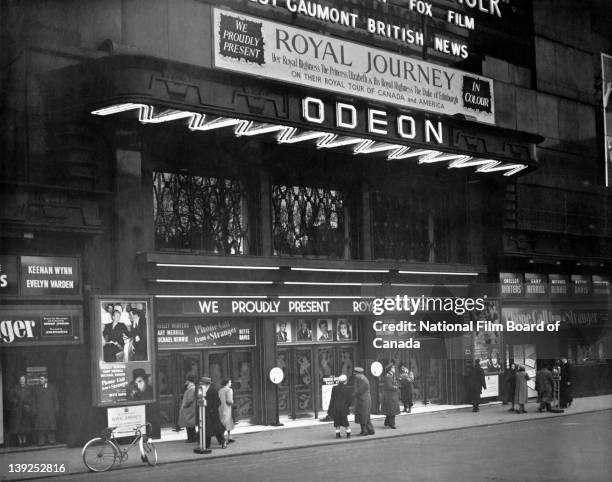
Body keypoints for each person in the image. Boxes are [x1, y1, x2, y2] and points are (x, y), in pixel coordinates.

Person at [33, 374, 59, 446]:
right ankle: (41, 442)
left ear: (46, 379)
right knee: (41, 427)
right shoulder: (37, 388)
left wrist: (56, 408)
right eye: (40, 379)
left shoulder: (52, 387)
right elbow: (34, 400)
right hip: (40, 411)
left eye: (42, 379)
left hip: (50, 410)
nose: (40, 380)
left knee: (51, 426)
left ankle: (51, 441)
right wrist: (34, 409)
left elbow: (55, 399)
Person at [202, 377, 227, 449]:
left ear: (207, 384)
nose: (202, 384)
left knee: (216, 429)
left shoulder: (213, 390)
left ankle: (223, 441)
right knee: (207, 429)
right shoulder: (203, 390)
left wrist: (213, 409)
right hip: (206, 413)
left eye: (203, 383)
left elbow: (218, 402)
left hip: (213, 414)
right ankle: (206, 445)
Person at [8, 375, 32, 446]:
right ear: (19, 380)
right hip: (18, 410)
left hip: (25, 409)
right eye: (21, 379)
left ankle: (25, 441)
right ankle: (20, 441)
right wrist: (16, 402)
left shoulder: (29, 388)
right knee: (18, 426)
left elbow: (32, 397)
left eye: (23, 379)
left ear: (25, 380)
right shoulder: (15, 388)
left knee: (25, 426)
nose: (22, 381)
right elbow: (10, 397)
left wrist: (27, 402)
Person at [328, 374, 352, 439]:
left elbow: (332, 399)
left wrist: (331, 409)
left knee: (337, 422)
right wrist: (348, 405)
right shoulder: (347, 388)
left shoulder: (334, 388)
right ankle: (348, 434)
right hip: (344, 408)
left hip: (336, 408)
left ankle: (337, 434)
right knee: (345, 422)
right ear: (345, 381)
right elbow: (349, 399)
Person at [352, 367, 374, 436]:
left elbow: (360, 391)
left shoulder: (362, 380)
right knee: (363, 416)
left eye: (356, 374)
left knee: (364, 416)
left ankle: (365, 431)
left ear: (359, 374)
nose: (355, 375)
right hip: (362, 400)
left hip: (364, 400)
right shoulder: (360, 379)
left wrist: (352, 395)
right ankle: (368, 430)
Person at [381, 362, 400, 429]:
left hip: (392, 395)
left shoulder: (392, 375)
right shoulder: (388, 376)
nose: (394, 368)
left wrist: (396, 385)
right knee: (392, 410)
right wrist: (396, 387)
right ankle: (392, 424)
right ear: (390, 369)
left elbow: (395, 383)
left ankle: (387, 422)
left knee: (391, 409)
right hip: (390, 396)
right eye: (393, 367)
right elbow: (390, 386)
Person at [178, 375, 197, 442]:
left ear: (189, 381)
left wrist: (185, 406)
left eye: (187, 380)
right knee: (189, 424)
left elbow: (190, 399)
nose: (186, 382)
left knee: (190, 424)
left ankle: (191, 438)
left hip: (189, 408)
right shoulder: (190, 388)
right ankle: (191, 438)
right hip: (188, 408)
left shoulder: (192, 388)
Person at [218, 379, 235, 443]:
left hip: (220, 408)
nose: (231, 383)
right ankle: (226, 437)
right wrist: (232, 401)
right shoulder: (229, 390)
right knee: (227, 422)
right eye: (230, 382)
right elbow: (229, 401)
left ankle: (223, 437)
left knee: (222, 422)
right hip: (227, 408)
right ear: (227, 383)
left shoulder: (220, 390)